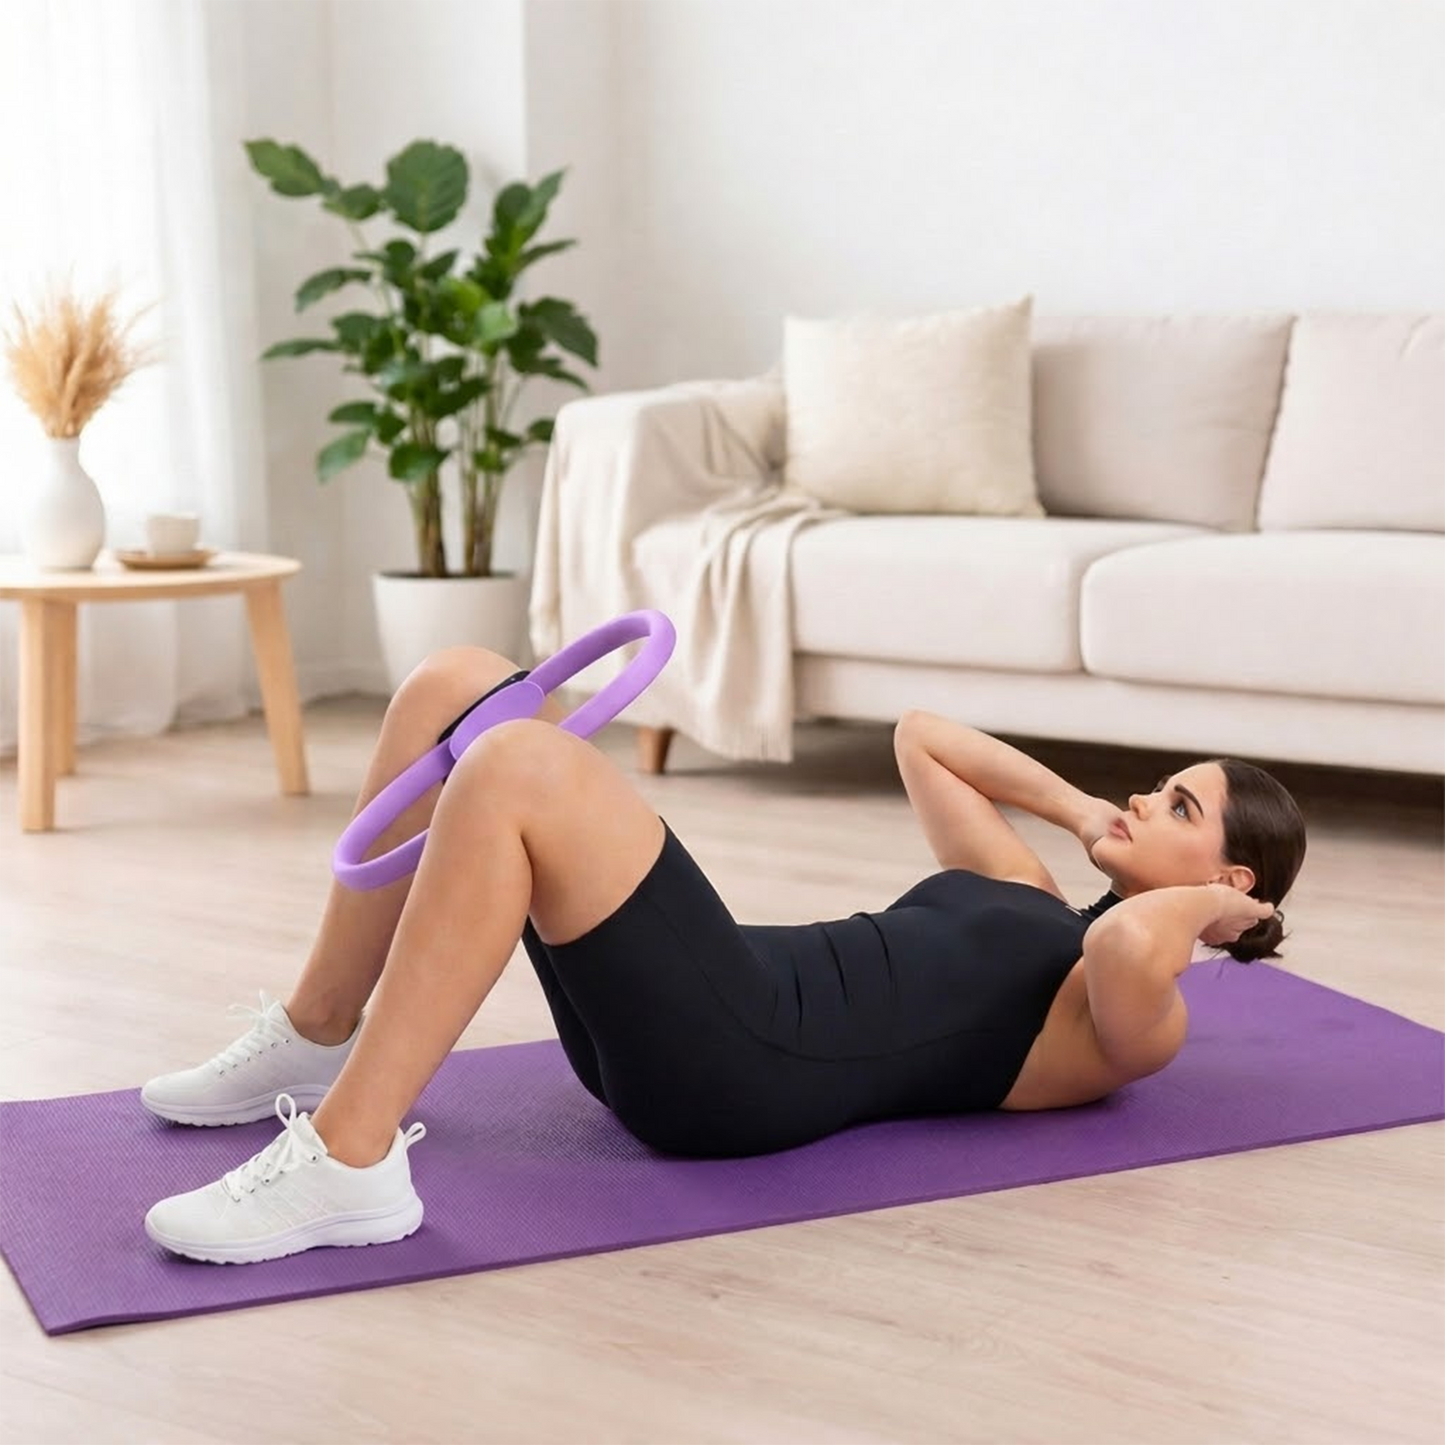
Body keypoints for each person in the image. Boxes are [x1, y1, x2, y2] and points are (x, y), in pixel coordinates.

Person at [141, 645, 1307, 1265]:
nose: (1144, 797)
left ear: (1231, 881)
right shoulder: (1026, 886)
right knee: (458, 686)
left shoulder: (1135, 1019)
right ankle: (312, 1033)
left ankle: (349, 1162)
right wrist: (1074, 807)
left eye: (1177, 804)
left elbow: (1122, 943)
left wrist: (1202, 905)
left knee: (514, 766)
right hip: (712, 994)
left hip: (742, 1067)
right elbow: (923, 739)